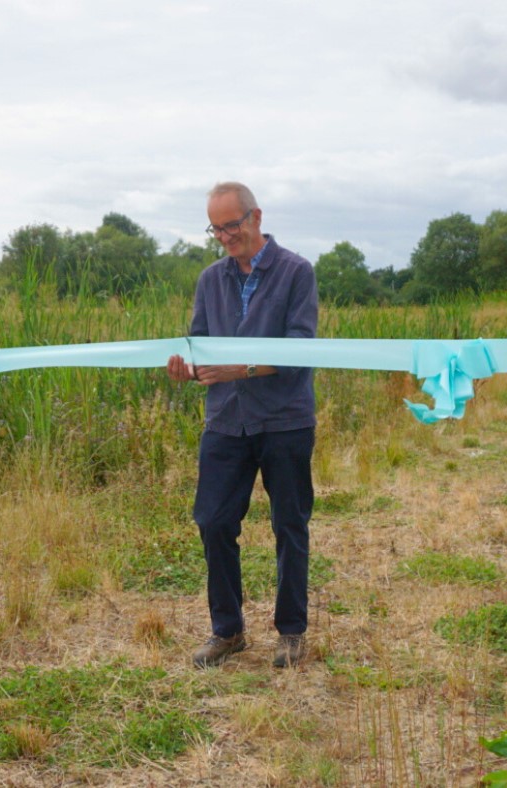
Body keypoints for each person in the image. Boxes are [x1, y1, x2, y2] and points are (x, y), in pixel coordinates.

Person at [167, 182, 318, 669]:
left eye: (232, 225)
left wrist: (243, 368)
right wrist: (187, 366)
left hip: (284, 420)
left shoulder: (297, 272)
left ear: (255, 217)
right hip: (226, 421)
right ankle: (227, 631)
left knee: (289, 524)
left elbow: (300, 350)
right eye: (216, 228)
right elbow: (200, 343)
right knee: (212, 522)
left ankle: (291, 632)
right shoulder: (210, 279)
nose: (225, 236)